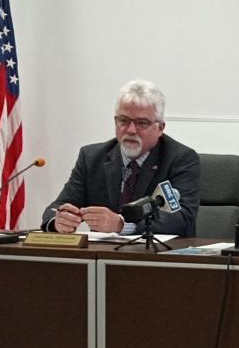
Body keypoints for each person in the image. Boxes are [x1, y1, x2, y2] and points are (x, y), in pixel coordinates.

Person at [42, 80, 200, 237]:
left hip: (158, 256)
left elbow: (182, 219)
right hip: (102, 256)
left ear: (160, 128)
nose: (131, 130)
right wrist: (59, 221)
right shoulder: (91, 158)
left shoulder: (179, 159)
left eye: (142, 123)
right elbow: (57, 207)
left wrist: (121, 224)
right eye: (123, 121)